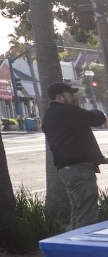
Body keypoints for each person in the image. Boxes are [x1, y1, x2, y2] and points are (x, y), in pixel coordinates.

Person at [44, 81, 108, 229]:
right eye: (70, 95)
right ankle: (85, 248)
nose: (73, 98)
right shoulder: (68, 112)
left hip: (65, 169)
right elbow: (97, 119)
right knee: (87, 214)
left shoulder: (49, 116)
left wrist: (99, 158)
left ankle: (72, 245)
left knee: (78, 211)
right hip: (79, 169)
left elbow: (75, 140)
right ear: (60, 97)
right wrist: (84, 109)